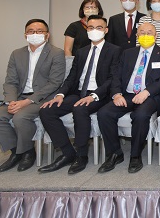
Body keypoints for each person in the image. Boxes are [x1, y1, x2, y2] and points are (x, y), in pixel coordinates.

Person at [38, 16, 121, 174]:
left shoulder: (115, 50)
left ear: (106, 30)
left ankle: (81, 155)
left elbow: (113, 78)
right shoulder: (81, 52)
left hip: (100, 95)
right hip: (78, 92)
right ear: (86, 30)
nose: (94, 31)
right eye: (90, 27)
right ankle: (67, 153)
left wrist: (94, 96)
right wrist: (60, 94)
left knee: (80, 109)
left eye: (98, 27)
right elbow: (72, 77)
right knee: (46, 110)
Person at [0, 19, 65, 172]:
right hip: (17, 97)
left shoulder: (56, 53)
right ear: (25, 35)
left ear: (47, 35)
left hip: (42, 98)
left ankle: (28, 152)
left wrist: (27, 101)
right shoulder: (17, 54)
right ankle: (16, 152)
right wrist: (11, 101)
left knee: (20, 117)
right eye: (31, 31)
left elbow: (54, 83)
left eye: (40, 31)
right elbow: (10, 81)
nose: (35, 34)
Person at [97, 22, 160, 174]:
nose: (146, 35)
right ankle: (115, 153)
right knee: (104, 113)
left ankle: (135, 155)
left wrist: (146, 92)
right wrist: (117, 94)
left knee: (140, 115)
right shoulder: (127, 53)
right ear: (137, 35)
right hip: (127, 94)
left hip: (151, 96)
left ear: (156, 35)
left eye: (149, 32)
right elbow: (116, 76)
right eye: (142, 32)